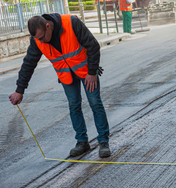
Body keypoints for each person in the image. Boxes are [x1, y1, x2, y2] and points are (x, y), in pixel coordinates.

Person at [8, 14, 111, 158]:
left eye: (42, 37)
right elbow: (29, 64)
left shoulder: (71, 23)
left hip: (86, 72)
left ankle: (104, 142)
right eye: (38, 39)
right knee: (74, 105)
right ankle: (82, 142)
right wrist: (19, 90)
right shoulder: (37, 40)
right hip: (66, 76)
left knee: (95, 103)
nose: (41, 41)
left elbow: (93, 46)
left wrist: (92, 72)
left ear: (48, 26)